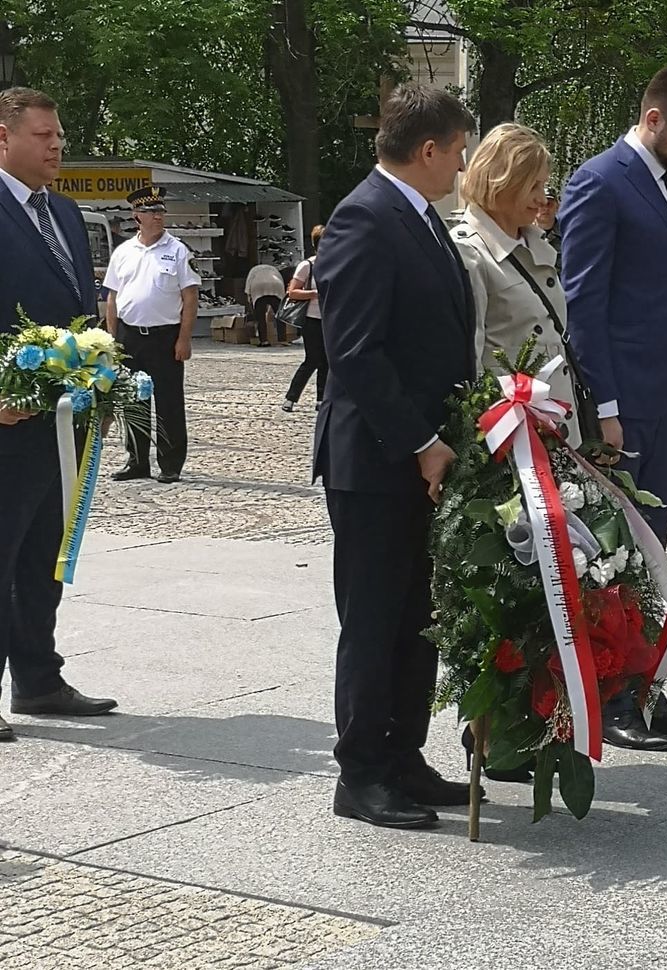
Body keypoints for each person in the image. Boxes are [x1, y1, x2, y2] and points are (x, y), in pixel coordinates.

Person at [313, 82, 477, 830]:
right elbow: (354, 353)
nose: (463, 166)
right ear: (430, 149)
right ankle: (363, 773)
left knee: (418, 618)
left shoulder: (419, 217)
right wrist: (420, 441)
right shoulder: (364, 218)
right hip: (377, 463)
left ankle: (405, 756)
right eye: (460, 151)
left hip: (427, 458)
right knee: (376, 621)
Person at [560, 60, 667, 750]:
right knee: (618, 556)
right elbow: (585, 303)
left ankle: (649, 690)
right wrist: (604, 404)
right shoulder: (600, 183)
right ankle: (613, 698)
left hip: (663, 401)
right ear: (653, 119)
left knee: (653, 552)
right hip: (618, 406)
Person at [0, 86, 118, 741]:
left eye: (60, 136)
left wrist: (99, 387)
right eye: (44, 136)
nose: (57, 147)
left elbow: (80, 309)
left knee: (46, 553)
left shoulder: (69, 214)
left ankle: (39, 679)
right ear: (4, 138)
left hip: (62, 423)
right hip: (6, 421)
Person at [451, 123, 579, 445]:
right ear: (503, 182)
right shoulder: (470, 252)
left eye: (544, 186)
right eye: (533, 186)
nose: (542, 199)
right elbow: (469, 360)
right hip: (512, 437)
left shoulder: (536, 245)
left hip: (558, 428)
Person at [105, 184, 200, 485]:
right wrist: (112, 338)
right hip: (130, 335)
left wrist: (184, 338)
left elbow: (190, 297)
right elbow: (112, 298)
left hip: (165, 336)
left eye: (161, 211)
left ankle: (170, 464)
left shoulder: (177, 250)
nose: (159, 216)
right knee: (133, 400)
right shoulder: (123, 252)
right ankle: (136, 461)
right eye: (151, 211)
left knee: (169, 400)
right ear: (137, 216)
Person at [280, 226, 327, 413]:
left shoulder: (338, 264)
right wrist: (315, 294)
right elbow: (292, 292)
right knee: (312, 360)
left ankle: (321, 400)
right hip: (312, 319)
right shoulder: (308, 265)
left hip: (330, 320)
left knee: (327, 363)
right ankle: (291, 398)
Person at [244, 260, 286, 347]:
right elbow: (280, 279)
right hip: (276, 285)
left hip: (258, 286)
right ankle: (282, 340)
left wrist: (249, 299)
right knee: (280, 316)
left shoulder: (253, 270)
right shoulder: (273, 269)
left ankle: (264, 341)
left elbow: (248, 284)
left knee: (260, 317)